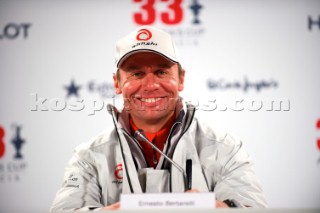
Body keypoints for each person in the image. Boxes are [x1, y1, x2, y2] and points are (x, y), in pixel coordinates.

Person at [50, 25, 267, 211]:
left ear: (181, 79)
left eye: (162, 72)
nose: (151, 85)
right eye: (136, 74)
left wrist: (215, 208)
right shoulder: (88, 156)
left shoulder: (226, 148)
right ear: (117, 83)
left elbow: (254, 208)